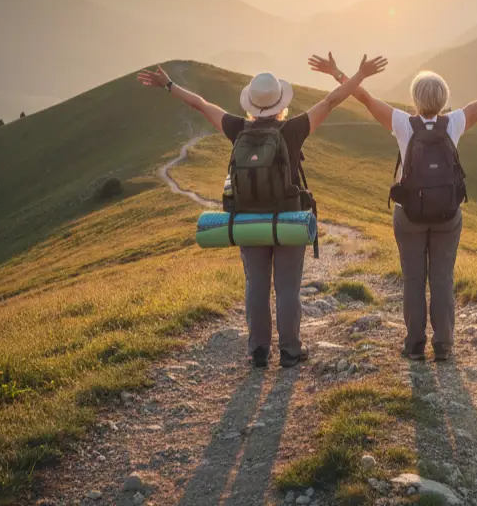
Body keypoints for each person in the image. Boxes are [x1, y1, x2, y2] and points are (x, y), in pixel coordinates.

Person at [138, 56, 387, 368]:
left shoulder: (237, 128)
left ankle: (258, 351)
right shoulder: (293, 129)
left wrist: (169, 85)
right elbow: (332, 100)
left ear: (251, 105)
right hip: (287, 221)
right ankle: (290, 351)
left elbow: (201, 105)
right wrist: (359, 74)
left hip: (247, 221)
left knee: (255, 284)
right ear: (281, 104)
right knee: (287, 287)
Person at [309, 53, 477, 361]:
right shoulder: (455, 123)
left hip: (408, 214)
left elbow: (364, 98)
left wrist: (338, 72)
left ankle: (414, 344)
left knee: (413, 279)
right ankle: (444, 345)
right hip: (448, 214)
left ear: (415, 99)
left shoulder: (402, 123)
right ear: (444, 99)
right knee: (442, 278)